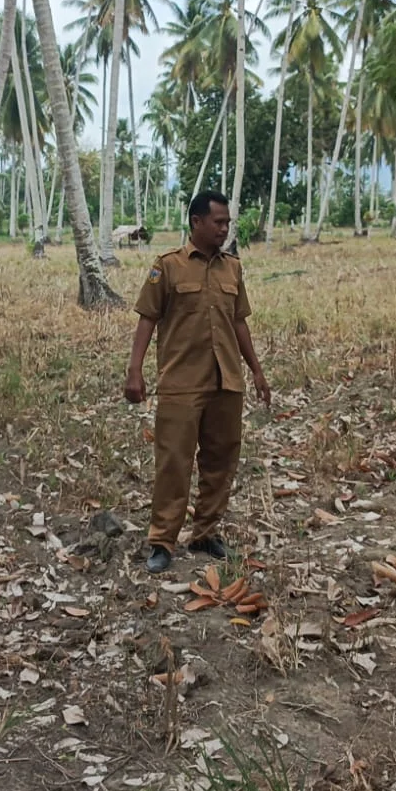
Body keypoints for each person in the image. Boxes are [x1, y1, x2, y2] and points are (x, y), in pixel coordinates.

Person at [124, 192, 271, 574]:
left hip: (226, 380)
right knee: (173, 463)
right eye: (218, 222)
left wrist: (256, 370)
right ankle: (161, 541)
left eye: (227, 223)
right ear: (196, 222)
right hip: (181, 381)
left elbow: (239, 321)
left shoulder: (232, 269)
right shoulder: (168, 267)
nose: (224, 229)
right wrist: (134, 370)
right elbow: (147, 318)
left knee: (221, 461)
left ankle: (206, 532)